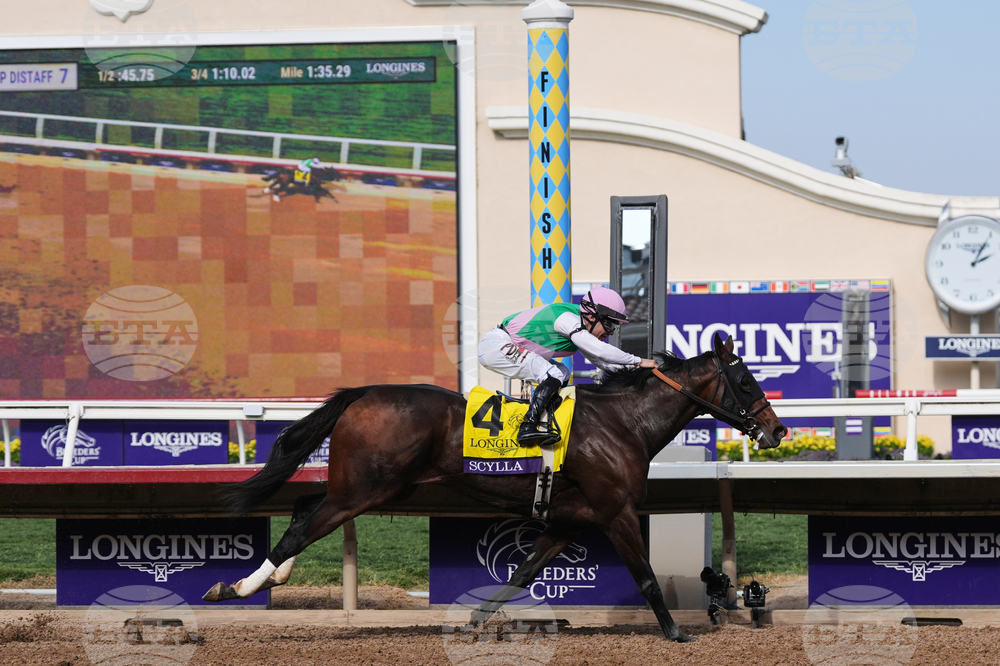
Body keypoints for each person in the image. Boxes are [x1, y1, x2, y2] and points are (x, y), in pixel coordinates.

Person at [478, 286, 658, 445]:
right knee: (553, 374)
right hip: (495, 345)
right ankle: (528, 425)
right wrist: (638, 361)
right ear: (590, 316)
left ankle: (545, 419)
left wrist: (635, 370)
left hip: (507, 345)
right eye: (609, 324)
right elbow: (600, 351)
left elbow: (601, 362)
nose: (610, 331)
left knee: (562, 372)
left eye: (615, 327)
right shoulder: (567, 320)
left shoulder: (581, 325)